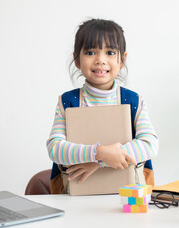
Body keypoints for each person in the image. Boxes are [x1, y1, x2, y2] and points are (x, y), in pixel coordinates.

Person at [46, 18, 159, 194]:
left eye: (110, 52)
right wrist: (98, 153)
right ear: (77, 59)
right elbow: (55, 148)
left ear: (122, 60)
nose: (100, 60)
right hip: (76, 200)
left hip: (127, 198)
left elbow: (149, 144)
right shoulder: (67, 102)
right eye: (90, 52)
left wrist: (99, 163)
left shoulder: (134, 101)